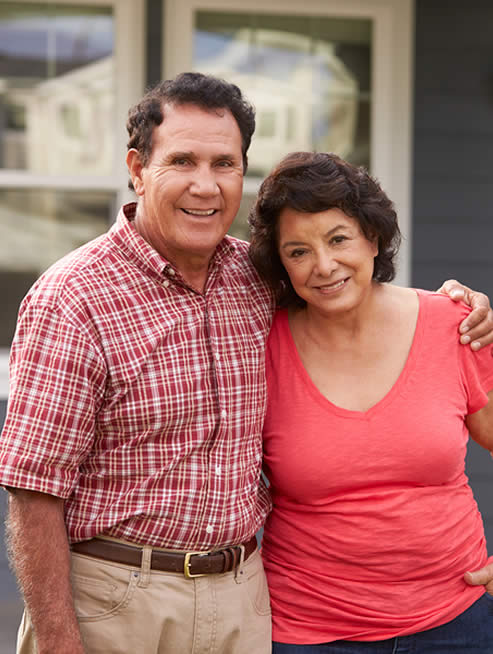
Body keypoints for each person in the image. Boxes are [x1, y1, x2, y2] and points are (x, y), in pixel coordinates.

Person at [0, 73, 492, 654]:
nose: (204, 186)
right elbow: (34, 489)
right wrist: (58, 642)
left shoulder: (254, 281)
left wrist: (459, 305)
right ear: (137, 168)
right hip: (118, 598)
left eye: (224, 163)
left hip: (242, 599)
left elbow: (344, 288)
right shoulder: (72, 298)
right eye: (182, 160)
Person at [248, 150, 493, 653]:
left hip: (458, 622)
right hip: (309, 632)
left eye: (339, 239)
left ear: (373, 238)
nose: (324, 265)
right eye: (298, 252)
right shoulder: (260, 347)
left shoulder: (453, 325)